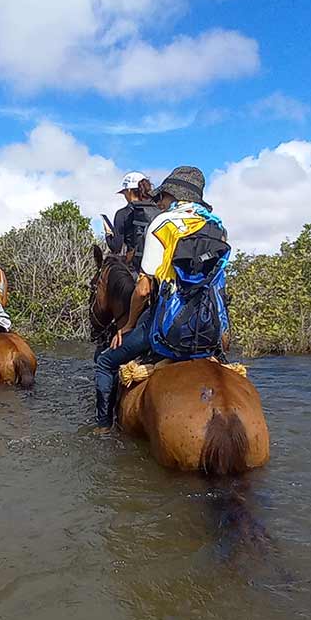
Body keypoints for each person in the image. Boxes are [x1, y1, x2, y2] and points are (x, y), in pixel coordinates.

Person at [92, 166, 230, 430]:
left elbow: (144, 289)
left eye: (162, 198)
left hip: (169, 328)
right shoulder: (217, 226)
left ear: (170, 195)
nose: (160, 203)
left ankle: (102, 427)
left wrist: (129, 324)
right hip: (209, 330)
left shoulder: (164, 223)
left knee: (105, 362)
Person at [106, 171, 162, 267]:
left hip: (136, 268)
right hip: (160, 265)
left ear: (128, 191)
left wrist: (108, 234)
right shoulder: (159, 210)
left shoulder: (122, 214)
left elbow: (116, 247)